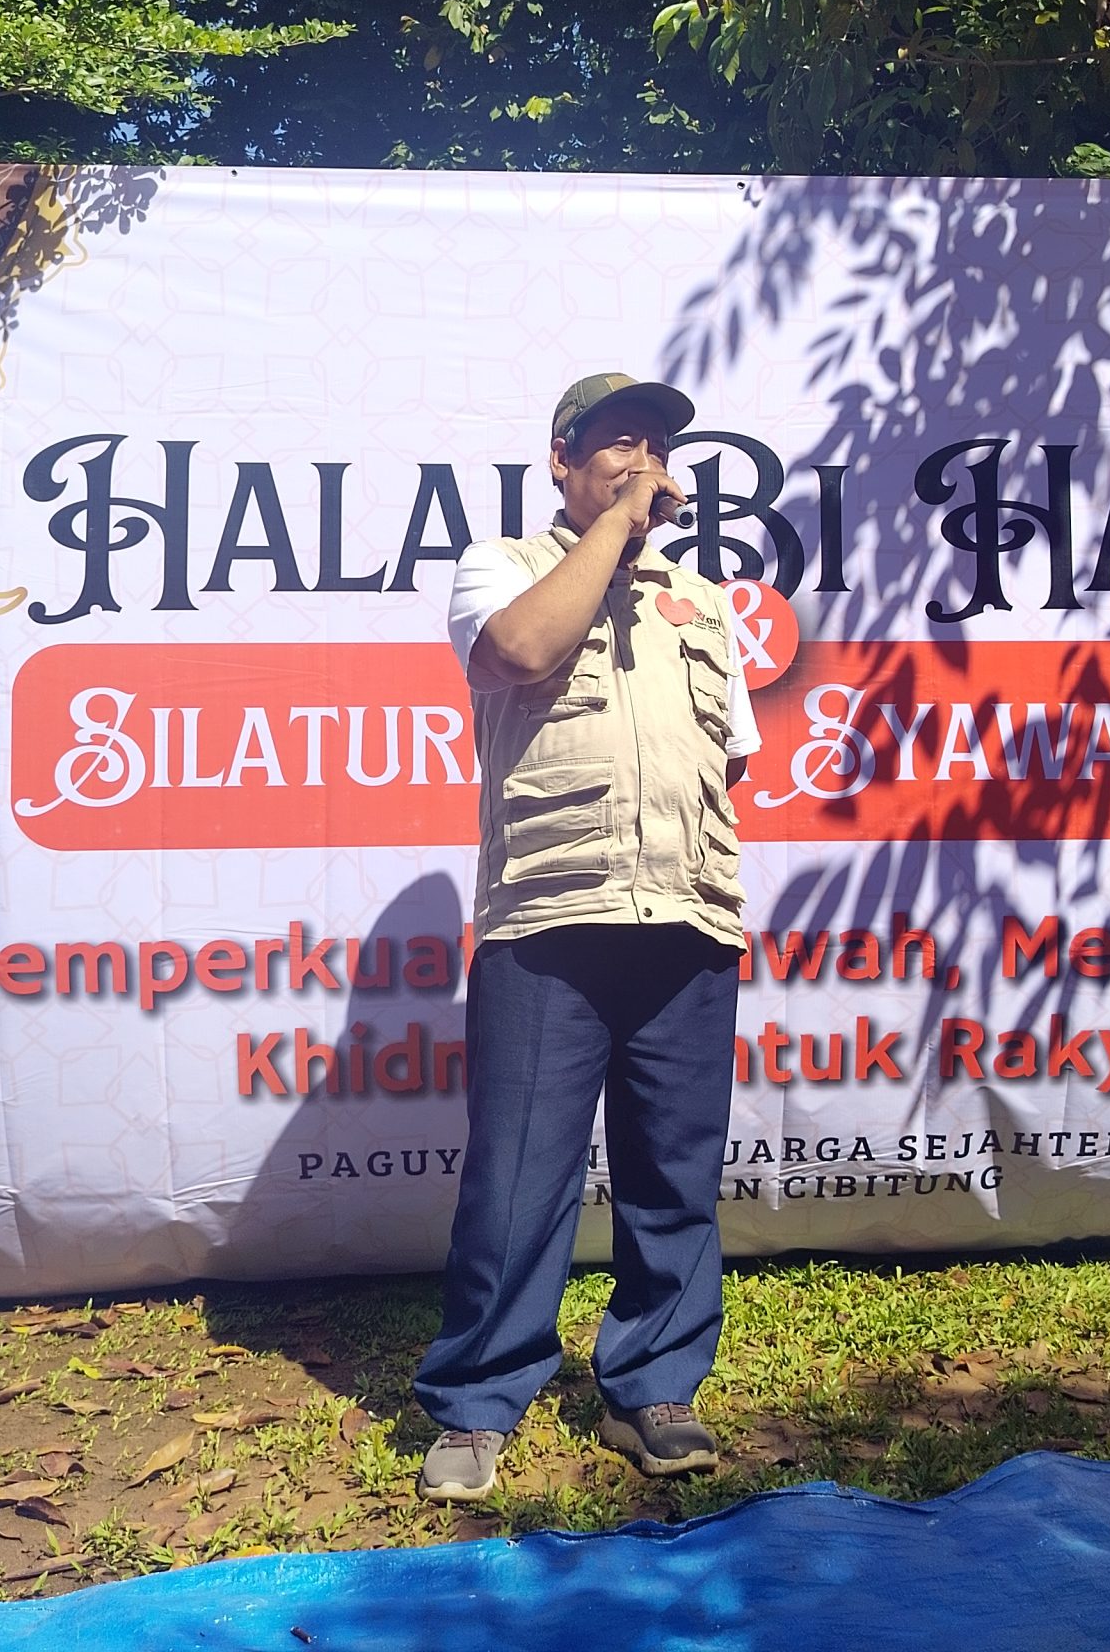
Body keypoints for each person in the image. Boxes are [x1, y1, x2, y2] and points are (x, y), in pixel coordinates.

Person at [412, 372, 758, 1503]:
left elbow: (730, 759)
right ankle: (477, 1401)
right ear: (561, 459)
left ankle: (655, 1385)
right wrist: (615, 527)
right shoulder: (503, 565)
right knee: (518, 1179)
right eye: (618, 443)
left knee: (674, 1174)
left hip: (687, 918)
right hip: (549, 916)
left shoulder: (700, 600)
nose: (644, 462)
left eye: (657, 446)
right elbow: (518, 652)